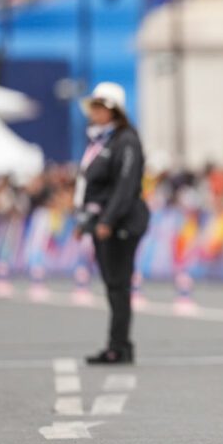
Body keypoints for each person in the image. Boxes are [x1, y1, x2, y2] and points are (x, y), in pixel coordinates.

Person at [74, 82, 150, 365]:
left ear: (113, 110)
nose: (93, 112)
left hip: (122, 223)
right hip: (103, 222)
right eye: (92, 106)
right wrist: (84, 221)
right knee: (112, 285)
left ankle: (119, 346)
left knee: (118, 284)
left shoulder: (126, 140)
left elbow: (125, 185)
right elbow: (93, 187)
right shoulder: (99, 141)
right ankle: (119, 344)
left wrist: (108, 219)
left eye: (99, 107)